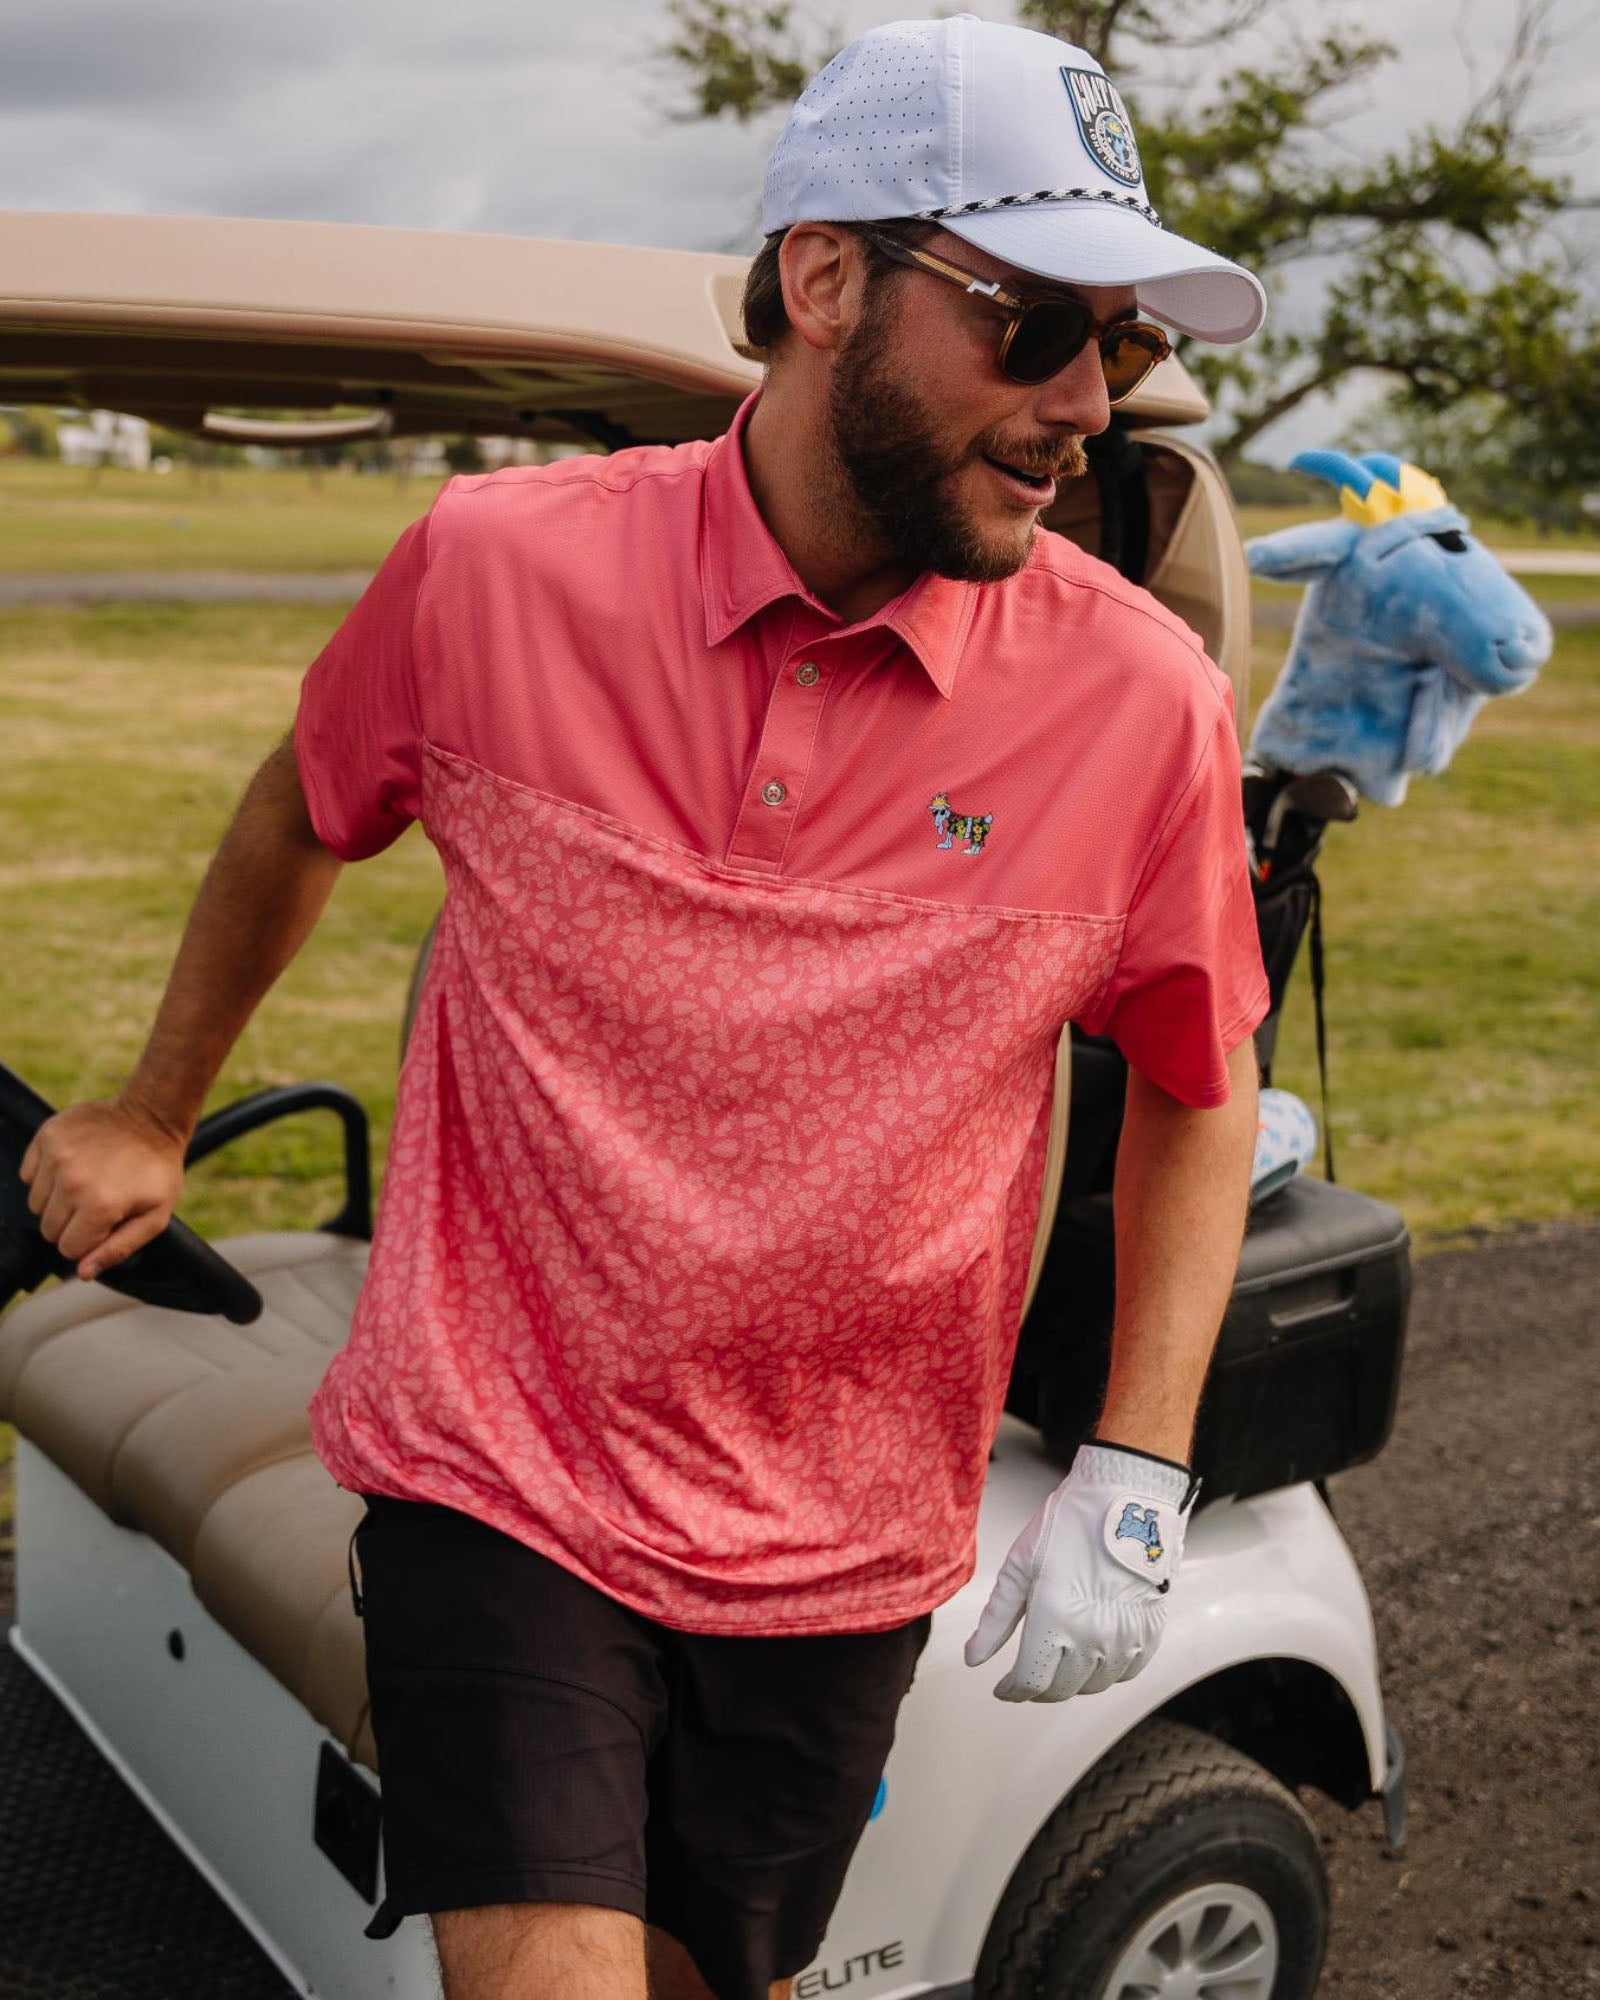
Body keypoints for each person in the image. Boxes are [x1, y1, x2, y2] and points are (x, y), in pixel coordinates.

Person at [18, 15, 1271, 2000]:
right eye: (1031, 324)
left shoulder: (1136, 704)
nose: (1080, 403)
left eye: (1112, 341)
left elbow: (1206, 1074)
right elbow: (303, 804)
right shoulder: (494, 573)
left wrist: (1131, 1462)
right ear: (821, 277)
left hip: (845, 1533)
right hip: (496, 1467)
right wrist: (152, 1110)